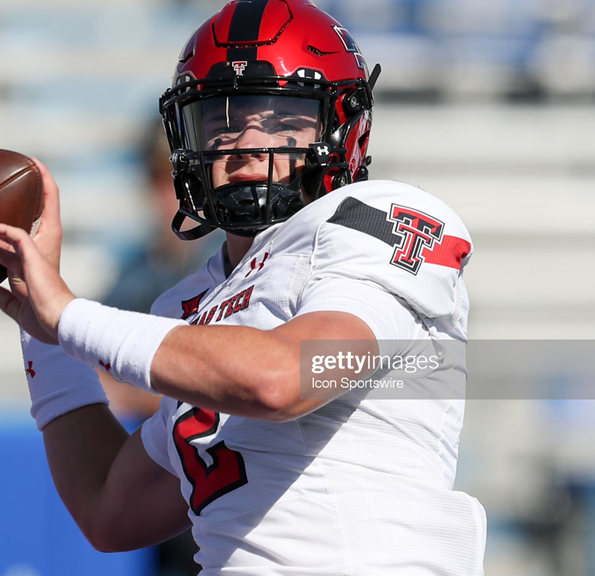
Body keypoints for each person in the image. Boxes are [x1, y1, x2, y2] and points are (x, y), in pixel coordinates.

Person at [0, 1, 487, 574]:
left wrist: (70, 316)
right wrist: (40, 327)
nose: (247, 142)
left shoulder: (378, 219)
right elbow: (109, 509)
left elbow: (285, 378)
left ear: (343, 127)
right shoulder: (193, 306)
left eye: (282, 119)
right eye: (223, 119)